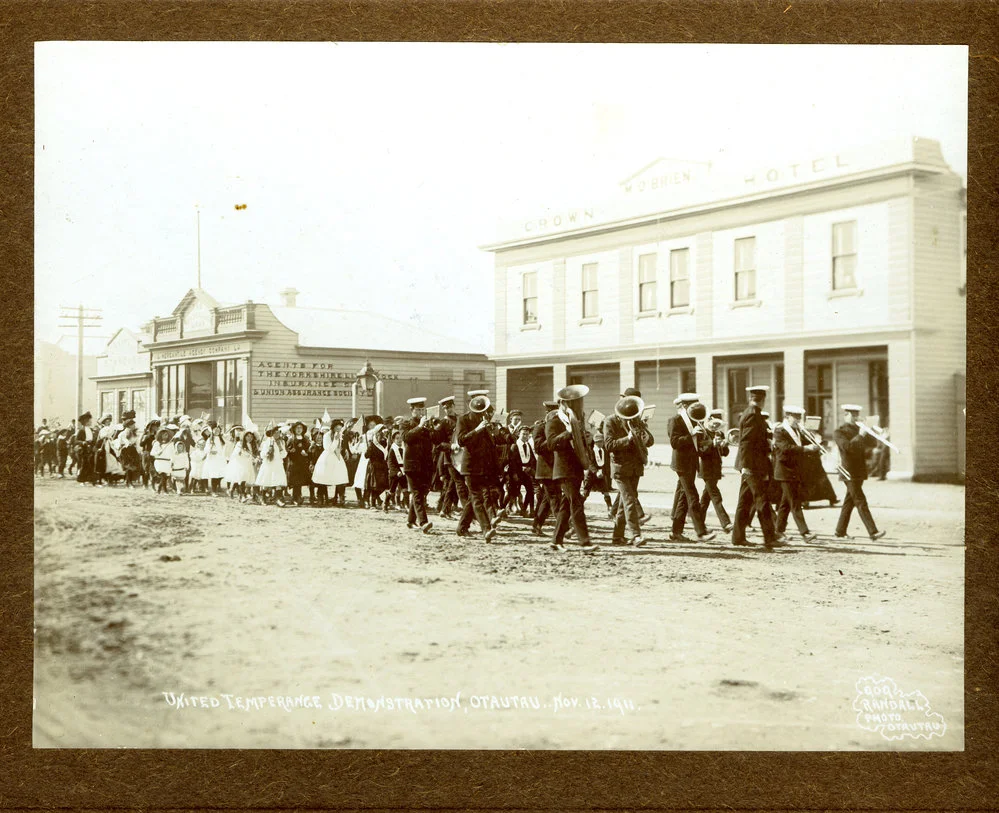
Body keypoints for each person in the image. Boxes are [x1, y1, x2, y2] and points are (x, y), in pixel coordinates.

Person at [544, 385, 599, 554]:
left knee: (566, 506)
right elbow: (551, 444)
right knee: (576, 504)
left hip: (575, 469)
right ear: (565, 404)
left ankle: (556, 540)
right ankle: (585, 542)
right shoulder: (554, 421)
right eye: (576, 402)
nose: (579, 405)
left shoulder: (576, 421)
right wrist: (568, 433)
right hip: (564, 470)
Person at [602, 388, 655, 547]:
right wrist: (628, 438)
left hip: (635, 467)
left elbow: (650, 441)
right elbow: (609, 445)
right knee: (629, 500)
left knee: (622, 505)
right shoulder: (611, 421)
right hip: (620, 468)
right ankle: (636, 535)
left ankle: (617, 537)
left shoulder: (636, 420)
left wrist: (644, 434)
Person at [731, 385, 782, 549]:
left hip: (751, 465)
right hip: (752, 466)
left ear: (751, 399)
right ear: (763, 400)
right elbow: (746, 442)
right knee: (762, 501)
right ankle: (770, 537)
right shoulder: (753, 415)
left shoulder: (751, 414)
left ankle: (738, 537)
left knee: (745, 502)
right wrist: (746, 466)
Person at [668, 393, 716, 542]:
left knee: (683, 497)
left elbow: (700, 442)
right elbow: (675, 442)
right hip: (681, 463)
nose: (695, 409)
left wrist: (709, 434)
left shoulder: (695, 420)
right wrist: (691, 435)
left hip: (692, 462)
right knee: (692, 496)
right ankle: (701, 532)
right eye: (691, 406)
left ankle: (676, 532)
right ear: (684, 406)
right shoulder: (675, 420)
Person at [834, 404, 886, 541]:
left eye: (857, 414)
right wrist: (861, 434)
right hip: (847, 470)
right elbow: (848, 447)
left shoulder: (860, 430)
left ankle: (840, 531)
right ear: (846, 415)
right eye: (853, 415)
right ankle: (873, 532)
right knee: (860, 500)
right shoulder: (839, 432)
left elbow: (871, 445)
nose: (856, 417)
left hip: (859, 469)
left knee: (849, 501)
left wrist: (880, 436)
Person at [455, 394, 501, 542]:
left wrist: (494, 432)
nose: (483, 414)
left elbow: (490, 446)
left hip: (483, 467)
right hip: (470, 466)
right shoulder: (463, 419)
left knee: (474, 498)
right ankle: (486, 529)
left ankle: (462, 527)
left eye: (484, 411)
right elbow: (461, 440)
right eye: (481, 411)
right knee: (476, 498)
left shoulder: (485, 421)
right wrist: (477, 429)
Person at [773, 406, 819, 544]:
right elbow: (786, 448)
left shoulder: (796, 430)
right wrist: (805, 448)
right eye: (796, 417)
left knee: (785, 504)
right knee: (795, 502)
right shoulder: (780, 430)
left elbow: (802, 446)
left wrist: (814, 441)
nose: (798, 420)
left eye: (800, 417)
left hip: (794, 471)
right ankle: (805, 533)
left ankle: (778, 531)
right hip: (785, 471)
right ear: (787, 416)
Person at [401, 397, 437, 533]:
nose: (421, 412)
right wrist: (420, 426)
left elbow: (434, 440)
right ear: (412, 410)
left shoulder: (427, 425)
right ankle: (423, 522)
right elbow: (406, 438)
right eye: (418, 409)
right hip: (411, 465)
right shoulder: (406, 424)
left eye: (423, 409)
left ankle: (410, 521)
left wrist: (432, 427)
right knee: (416, 493)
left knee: (421, 493)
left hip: (425, 465)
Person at [697, 408, 732, 532]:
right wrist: (712, 443)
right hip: (706, 468)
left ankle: (699, 523)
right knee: (716, 496)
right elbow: (701, 451)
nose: (717, 426)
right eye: (715, 423)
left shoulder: (719, 433)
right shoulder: (703, 432)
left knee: (706, 498)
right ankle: (725, 523)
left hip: (716, 468)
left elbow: (724, 453)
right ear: (710, 420)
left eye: (719, 424)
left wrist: (724, 445)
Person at [506, 425, 536, 516]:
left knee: (530, 490)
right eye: (523, 434)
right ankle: (503, 508)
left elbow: (532, 458)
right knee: (513, 492)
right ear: (519, 434)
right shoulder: (515, 445)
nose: (525, 436)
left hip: (526, 472)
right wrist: (514, 473)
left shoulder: (528, 445)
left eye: (527, 434)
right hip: (517, 472)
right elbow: (512, 461)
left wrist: (530, 467)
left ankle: (527, 509)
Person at [285, 421, 312, 506]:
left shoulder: (306, 439)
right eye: (297, 428)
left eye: (301, 428)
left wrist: (306, 453)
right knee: (295, 481)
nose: (299, 429)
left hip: (303, 463)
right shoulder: (291, 439)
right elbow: (286, 451)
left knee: (300, 481)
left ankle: (298, 496)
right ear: (294, 429)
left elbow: (309, 450)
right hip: (294, 463)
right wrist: (291, 451)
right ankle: (295, 497)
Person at [202, 422, 228, 495]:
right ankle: (214, 490)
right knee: (214, 475)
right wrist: (210, 451)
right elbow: (206, 449)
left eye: (218, 430)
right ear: (212, 430)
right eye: (215, 430)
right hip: (213, 459)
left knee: (221, 474)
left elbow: (225, 446)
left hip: (220, 459)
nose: (217, 431)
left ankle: (216, 487)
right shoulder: (210, 439)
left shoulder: (222, 439)